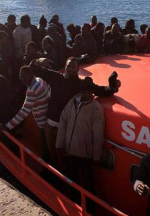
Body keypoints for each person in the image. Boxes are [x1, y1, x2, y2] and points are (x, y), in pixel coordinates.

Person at [29, 57, 121, 165]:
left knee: (64, 159)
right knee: (52, 155)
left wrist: (112, 87)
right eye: (68, 66)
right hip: (50, 125)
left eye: (73, 66)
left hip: (66, 129)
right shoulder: (56, 77)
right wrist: (39, 60)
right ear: (65, 66)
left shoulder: (81, 84)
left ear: (78, 68)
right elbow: (33, 68)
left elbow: (100, 90)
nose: (70, 69)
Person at [56, 77, 104, 210]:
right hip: (69, 152)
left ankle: (89, 211)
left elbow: (98, 135)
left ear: (91, 93)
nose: (84, 94)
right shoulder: (72, 102)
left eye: (87, 92)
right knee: (71, 182)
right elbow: (63, 121)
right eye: (82, 92)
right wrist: (59, 145)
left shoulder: (96, 109)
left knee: (88, 187)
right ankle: (71, 207)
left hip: (85, 156)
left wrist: (96, 157)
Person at [0, 66, 51, 160]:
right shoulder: (39, 80)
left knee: (45, 146)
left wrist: (8, 126)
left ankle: (47, 169)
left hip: (43, 122)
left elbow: (24, 111)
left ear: (31, 74)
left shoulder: (32, 90)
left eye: (24, 76)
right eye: (20, 76)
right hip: (48, 118)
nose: (22, 79)